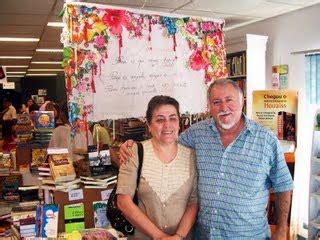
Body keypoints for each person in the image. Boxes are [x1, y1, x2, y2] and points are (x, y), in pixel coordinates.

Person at [119, 79, 293, 240]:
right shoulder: (196, 134)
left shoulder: (266, 141)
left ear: (242, 102)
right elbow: (165, 139)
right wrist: (130, 145)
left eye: (229, 100)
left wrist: (282, 229)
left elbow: (283, 185)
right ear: (209, 106)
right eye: (216, 102)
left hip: (249, 235)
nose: (224, 107)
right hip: (203, 235)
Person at [116, 95, 198, 239]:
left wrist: (178, 236)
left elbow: (194, 202)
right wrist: (160, 237)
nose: (167, 125)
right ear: (149, 124)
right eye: (160, 119)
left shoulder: (192, 156)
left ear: (179, 123)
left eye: (173, 118)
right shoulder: (133, 152)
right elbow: (123, 201)